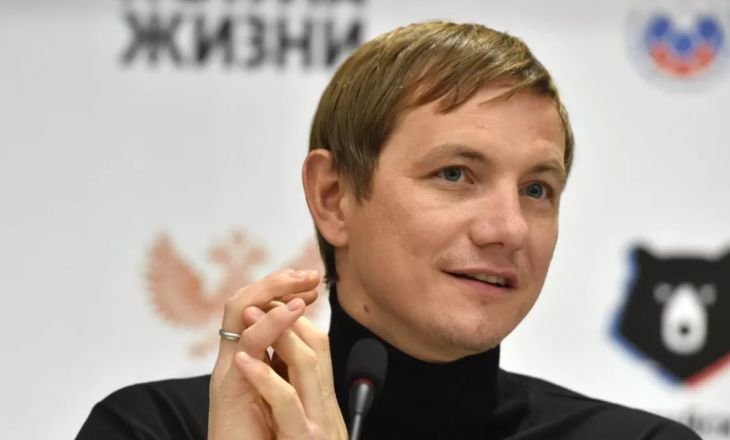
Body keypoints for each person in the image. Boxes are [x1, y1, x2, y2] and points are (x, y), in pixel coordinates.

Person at [77, 21, 700, 439]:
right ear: (334, 198)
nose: (508, 228)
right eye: (455, 174)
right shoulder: (160, 428)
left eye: (537, 189)